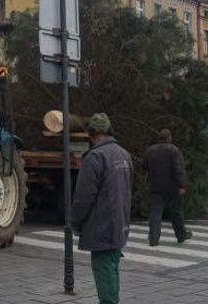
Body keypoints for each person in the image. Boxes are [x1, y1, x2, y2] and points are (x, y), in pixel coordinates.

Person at [71, 113, 133, 304]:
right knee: (112, 269)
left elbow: (84, 197)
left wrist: (75, 222)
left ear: (91, 134)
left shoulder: (95, 157)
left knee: (104, 271)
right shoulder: (124, 154)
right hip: (120, 223)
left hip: (101, 226)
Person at [143, 129, 192, 247]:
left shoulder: (150, 150)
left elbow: (144, 166)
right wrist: (182, 185)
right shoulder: (173, 150)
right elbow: (178, 169)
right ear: (169, 138)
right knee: (176, 213)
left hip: (155, 187)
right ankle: (181, 235)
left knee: (155, 214)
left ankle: (153, 238)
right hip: (172, 188)